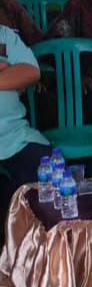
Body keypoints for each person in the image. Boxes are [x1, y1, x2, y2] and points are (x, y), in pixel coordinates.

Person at [0, 25, 50, 243]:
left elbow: (31, 72)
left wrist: (11, 70)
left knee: (44, 170)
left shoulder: (4, 35)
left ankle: (41, 253)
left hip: (14, 135)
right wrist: (5, 69)